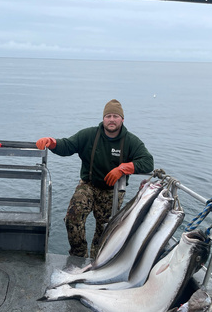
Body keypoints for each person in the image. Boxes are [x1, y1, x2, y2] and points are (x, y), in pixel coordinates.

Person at [36, 99, 154, 258]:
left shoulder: (131, 141)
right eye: (108, 116)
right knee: (72, 218)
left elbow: (148, 162)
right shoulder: (89, 135)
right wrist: (52, 143)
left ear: (122, 119)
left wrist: (123, 168)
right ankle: (78, 256)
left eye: (115, 116)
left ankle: (96, 260)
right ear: (103, 118)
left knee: (105, 229)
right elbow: (68, 145)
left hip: (113, 191)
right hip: (88, 186)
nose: (111, 119)